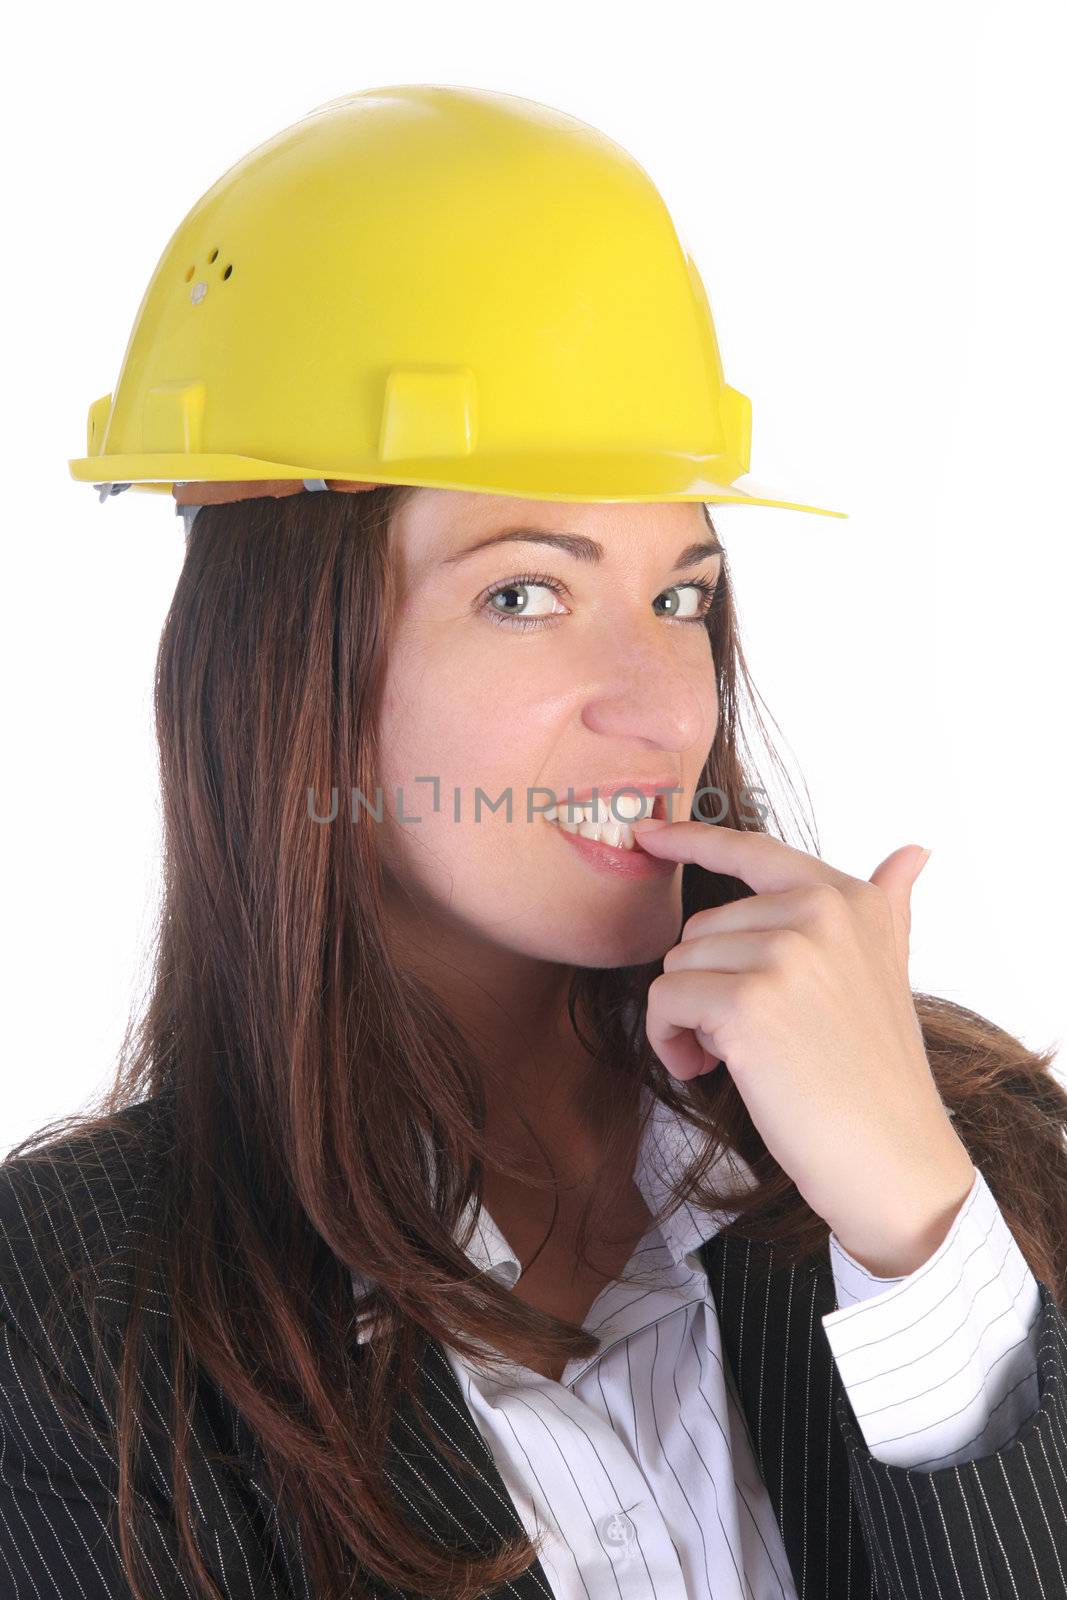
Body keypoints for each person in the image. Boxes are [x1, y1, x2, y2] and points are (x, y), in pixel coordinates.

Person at [2, 86, 1065, 1600]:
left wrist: (914, 1235)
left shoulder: (963, 1154)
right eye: (525, 592)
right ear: (290, 667)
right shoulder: (75, 1322)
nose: (657, 710)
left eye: (680, 595)